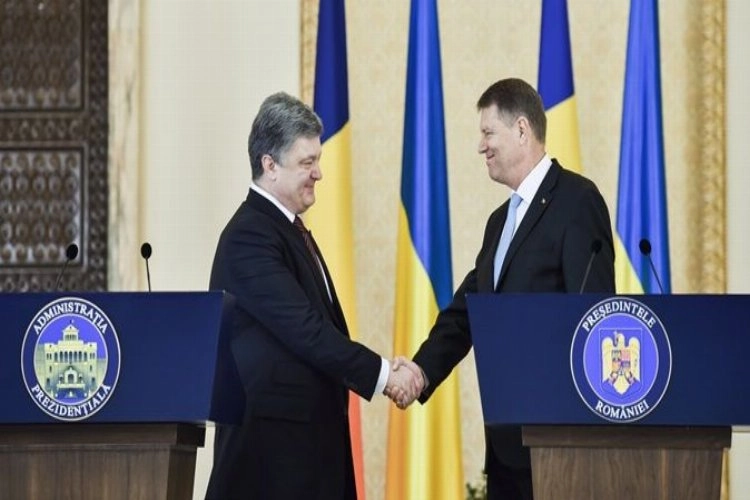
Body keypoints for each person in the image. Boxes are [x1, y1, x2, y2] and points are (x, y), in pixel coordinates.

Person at [391, 78, 615, 500]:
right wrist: (419, 372)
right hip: (506, 444)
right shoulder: (500, 221)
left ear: (522, 130)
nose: (481, 146)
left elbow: (595, 317)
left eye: (488, 132)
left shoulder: (577, 201)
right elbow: (467, 312)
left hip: (559, 445)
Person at [205, 92, 423, 500]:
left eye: (317, 160)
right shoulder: (249, 236)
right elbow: (307, 330)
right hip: (273, 467)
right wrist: (384, 375)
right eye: (307, 162)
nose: (319, 173)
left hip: (306, 456)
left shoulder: (286, 229)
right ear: (270, 165)